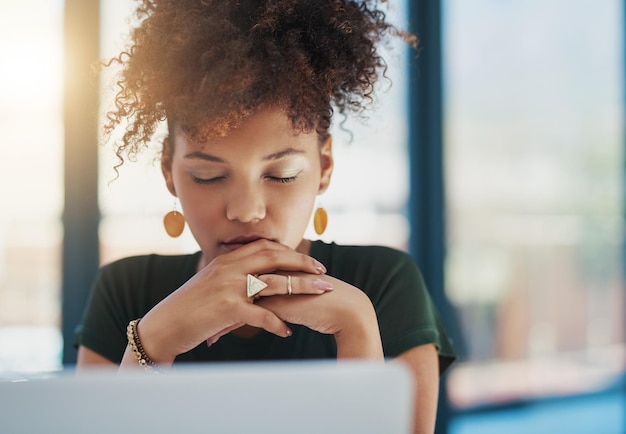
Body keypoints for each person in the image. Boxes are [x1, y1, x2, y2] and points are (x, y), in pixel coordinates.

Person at [74, 1, 456, 432]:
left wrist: (357, 328)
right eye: (208, 176)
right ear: (168, 171)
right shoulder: (126, 293)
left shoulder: (385, 284)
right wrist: (151, 343)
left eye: (281, 174)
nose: (246, 210)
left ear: (324, 167)